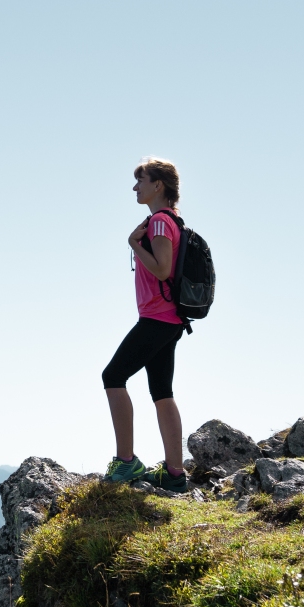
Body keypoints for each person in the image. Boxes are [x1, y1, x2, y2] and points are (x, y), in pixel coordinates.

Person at [102, 158, 188, 492]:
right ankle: (175, 473)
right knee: (162, 392)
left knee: (113, 376)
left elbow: (163, 269)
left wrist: (134, 244)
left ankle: (126, 463)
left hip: (157, 318)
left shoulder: (160, 223)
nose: (135, 186)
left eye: (142, 180)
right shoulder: (172, 221)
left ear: (159, 186)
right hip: (170, 320)